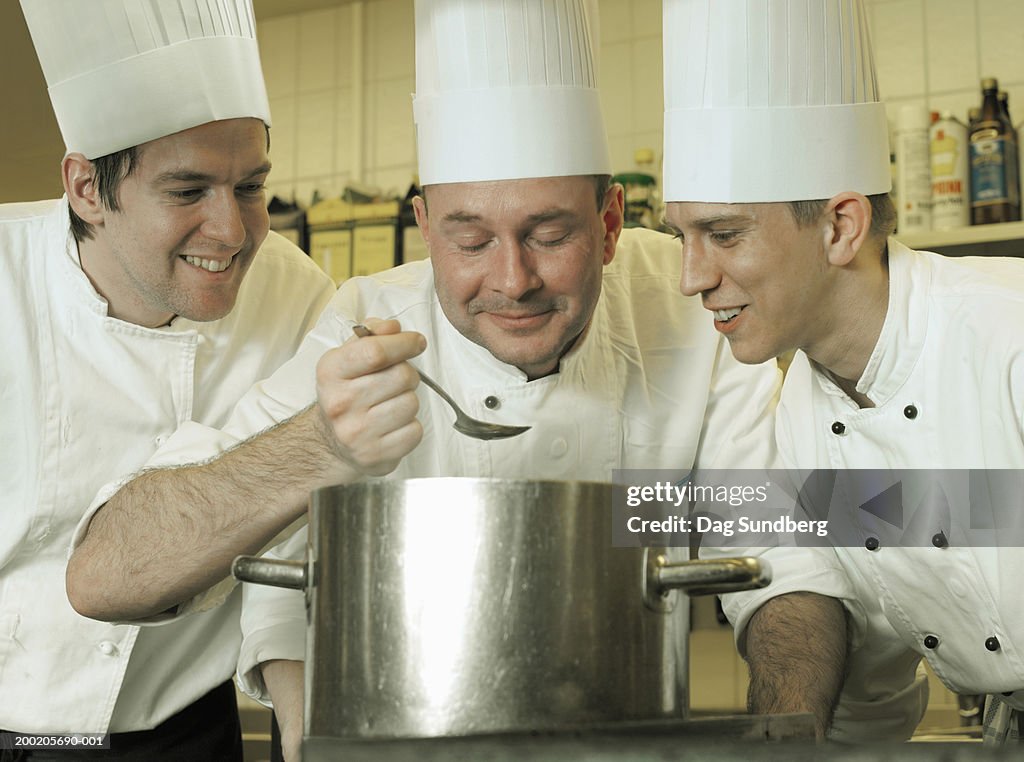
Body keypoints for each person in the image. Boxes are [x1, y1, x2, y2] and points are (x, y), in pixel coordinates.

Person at [63, 1, 825, 758]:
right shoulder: (366, 325)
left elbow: (786, 551)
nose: (513, 279)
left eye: (550, 234)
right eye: (469, 240)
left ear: (611, 221)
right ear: (425, 230)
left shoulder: (697, 311)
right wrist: (319, 453)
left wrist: (785, 740)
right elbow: (114, 578)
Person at [662, 0, 1024, 745]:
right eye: (682, 239)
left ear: (840, 226)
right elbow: (875, 682)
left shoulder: (1006, 334)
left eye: (724, 234)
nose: (691, 277)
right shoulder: (797, 414)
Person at [1, 1, 335, 759]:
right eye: (188, 193)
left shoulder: (298, 297)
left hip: (187, 736)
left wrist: (305, 730)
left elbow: (292, 549)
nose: (233, 231)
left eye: (251, 187)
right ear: (87, 188)